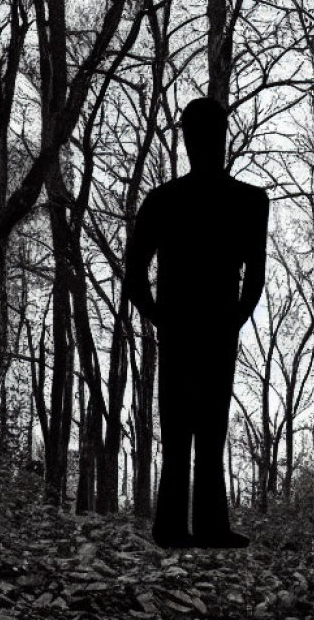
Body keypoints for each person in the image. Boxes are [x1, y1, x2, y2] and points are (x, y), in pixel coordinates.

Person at [126, 97, 269, 549]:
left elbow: (134, 274)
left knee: (196, 429)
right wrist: (229, 318)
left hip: (195, 327)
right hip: (199, 328)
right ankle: (194, 527)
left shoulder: (170, 200)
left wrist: (163, 318)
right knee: (198, 428)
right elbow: (134, 274)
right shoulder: (245, 200)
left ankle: (185, 528)